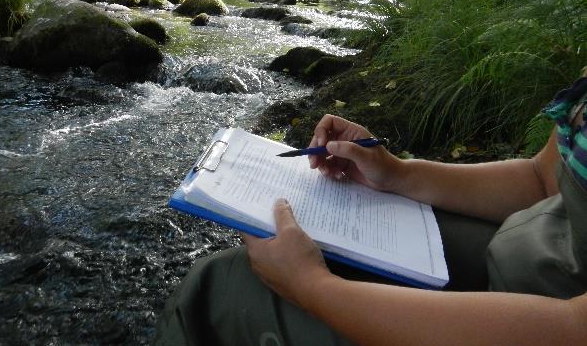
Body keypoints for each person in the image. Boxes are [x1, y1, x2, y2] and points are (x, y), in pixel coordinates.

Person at [154, 77, 587, 346]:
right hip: (536, 254)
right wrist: (398, 173)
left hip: (554, 322)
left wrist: (313, 287)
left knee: (218, 287)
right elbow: (542, 179)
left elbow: (570, 333)